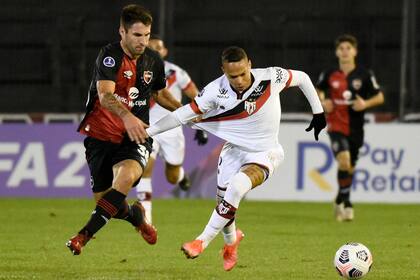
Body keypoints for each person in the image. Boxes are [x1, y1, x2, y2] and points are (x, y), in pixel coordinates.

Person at [145, 46, 326, 271]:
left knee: (238, 186)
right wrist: (147, 132)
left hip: (265, 152)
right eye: (233, 76)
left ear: (249, 64)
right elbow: (182, 115)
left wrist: (318, 112)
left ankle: (201, 241)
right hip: (232, 152)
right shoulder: (213, 90)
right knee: (225, 205)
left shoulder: (271, 77)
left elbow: (302, 78)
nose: (239, 80)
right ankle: (231, 243)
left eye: (243, 73)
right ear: (223, 70)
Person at [66, 4, 182, 255]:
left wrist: (186, 111)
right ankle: (136, 217)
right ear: (122, 32)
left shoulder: (154, 60)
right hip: (100, 134)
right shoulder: (109, 56)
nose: (143, 41)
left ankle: (82, 236)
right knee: (107, 202)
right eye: (137, 35)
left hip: (135, 136)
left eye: (147, 35)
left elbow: (160, 93)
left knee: (127, 178)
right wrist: (127, 115)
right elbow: (105, 95)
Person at [135, 35, 208, 223]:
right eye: (151, 47)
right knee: (144, 168)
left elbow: (196, 96)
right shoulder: (135, 68)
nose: (155, 50)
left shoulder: (176, 73)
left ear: (165, 51)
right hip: (147, 127)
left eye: (158, 47)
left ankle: (181, 176)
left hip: (172, 129)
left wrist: (201, 125)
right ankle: (146, 221)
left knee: (172, 176)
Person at [316, 34, 384, 222]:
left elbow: (379, 97)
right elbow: (317, 89)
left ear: (355, 51)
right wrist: (323, 101)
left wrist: (366, 104)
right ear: (337, 52)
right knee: (344, 161)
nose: (345, 51)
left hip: (356, 127)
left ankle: (340, 198)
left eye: (348, 48)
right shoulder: (329, 74)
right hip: (336, 125)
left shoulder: (365, 74)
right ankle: (347, 204)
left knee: (349, 168)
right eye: (341, 48)